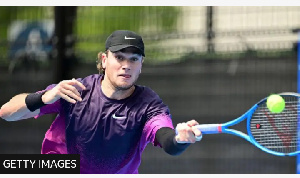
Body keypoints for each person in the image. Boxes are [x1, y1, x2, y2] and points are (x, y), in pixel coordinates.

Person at [0, 30, 202, 174]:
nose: (126, 65)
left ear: (141, 65)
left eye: (133, 59)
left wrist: (180, 139)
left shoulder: (148, 104)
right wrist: (45, 97)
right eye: (119, 57)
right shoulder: (76, 90)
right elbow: (6, 113)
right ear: (104, 60)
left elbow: (166, 138)